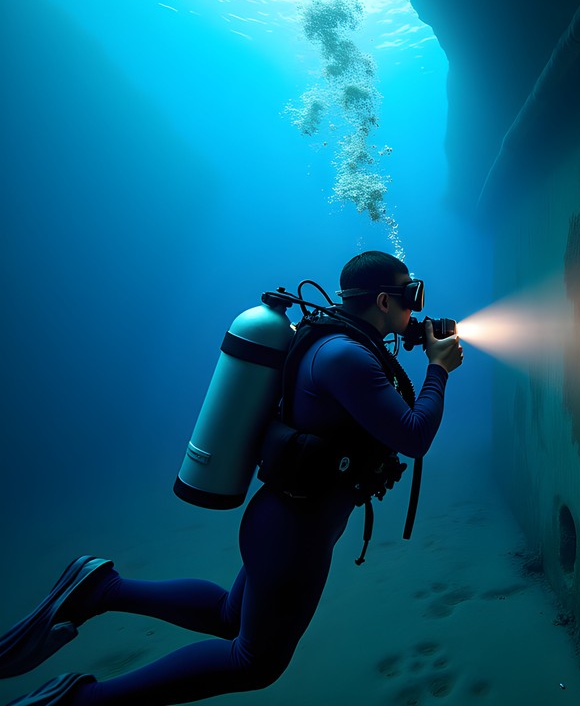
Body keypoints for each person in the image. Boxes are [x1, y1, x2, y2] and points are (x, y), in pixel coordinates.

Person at [0, 251, 463, 706]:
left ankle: (100, 588)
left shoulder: (337, 340)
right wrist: (438, 369)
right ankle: (80, 701)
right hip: (294, 535)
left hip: (282, 520)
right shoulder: (347, 356)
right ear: (384, 301)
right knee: (254, 662)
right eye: (411, 296)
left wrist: (422, 344)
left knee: (229, 616)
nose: (415, 308)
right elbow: (414, 436)